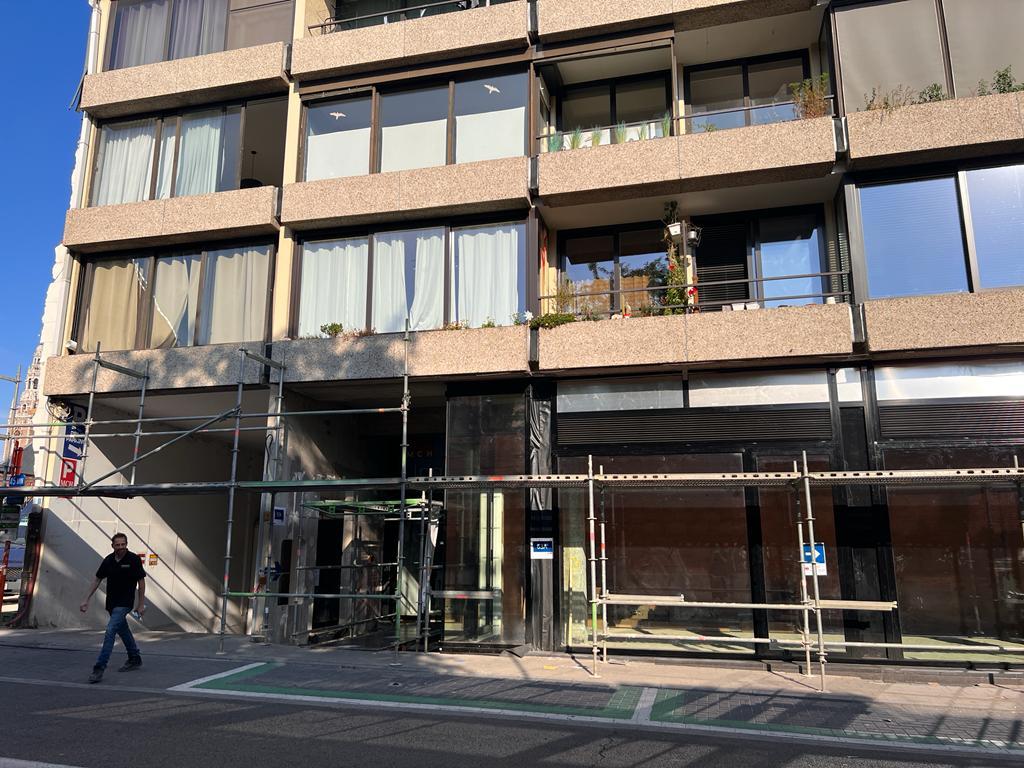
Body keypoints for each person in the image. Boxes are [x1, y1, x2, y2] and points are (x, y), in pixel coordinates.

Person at [80, 532, 146, 683]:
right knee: (123, 630)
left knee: (110, 631)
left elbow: (141, 582)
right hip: (111, 603)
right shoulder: (108, 560)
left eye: (123, 544)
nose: (121, 547)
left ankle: (99, 668)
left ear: (126, 544)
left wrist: (140, 604)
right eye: (118, 545)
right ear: (112, 546)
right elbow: (97, 579)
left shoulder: (133, 559)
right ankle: (134, 657)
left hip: (125, 603)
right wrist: (86, 599)